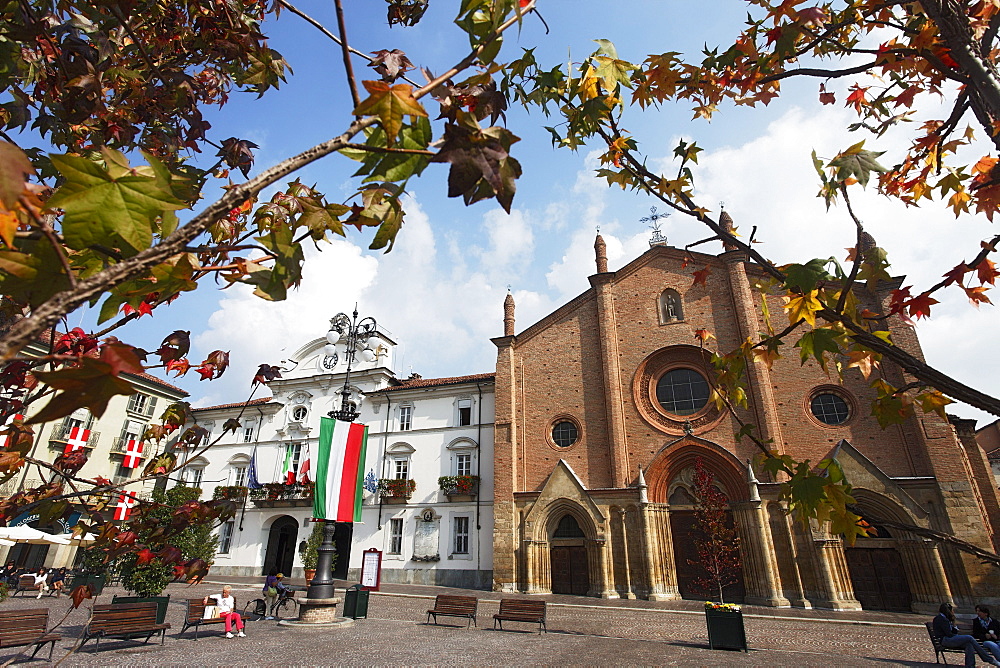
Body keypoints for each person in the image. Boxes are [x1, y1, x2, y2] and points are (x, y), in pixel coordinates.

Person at [934, 602, 1000, 667]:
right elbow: (949, 634)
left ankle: (970, 666)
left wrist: (953, 623)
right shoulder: (940, 619)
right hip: (945, 640)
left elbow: (953, 632)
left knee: (969, 644)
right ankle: (988, 659)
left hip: (950, 639)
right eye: (952, 610)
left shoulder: (946, 619)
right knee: (969, 638)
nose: (953, 611)